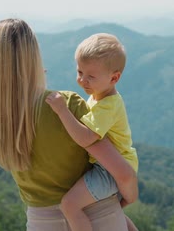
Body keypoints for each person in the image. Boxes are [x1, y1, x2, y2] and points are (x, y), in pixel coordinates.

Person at [0, 18, 138, 231]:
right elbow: (122, 172)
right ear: (33, 57)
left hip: (40, 223)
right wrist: (130, 195)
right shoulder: (66, 105)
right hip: (98, 217)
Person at [45, 33, 138, 231]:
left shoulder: (108, 105)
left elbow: (85, 138)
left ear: (114, 78)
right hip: (112, 165)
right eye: (79, 72)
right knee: (113, 210)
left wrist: (62, 110)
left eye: (90, 76)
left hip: (110, 170)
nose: (82, 80)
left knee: (70, 205)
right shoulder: (99, 96)